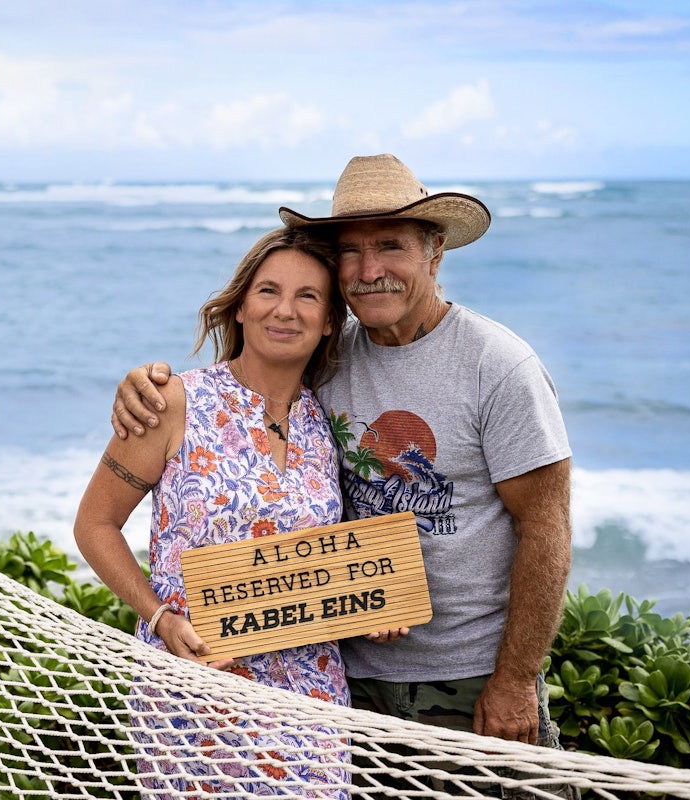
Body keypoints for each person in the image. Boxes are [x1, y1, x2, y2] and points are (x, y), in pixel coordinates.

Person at [111, 154, 577, 798]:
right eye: (351, 252)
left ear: (434, 253)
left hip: (468, 677)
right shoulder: (325, 363)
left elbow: (547, 528)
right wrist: (143, 386)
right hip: (342, 677)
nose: (369, 269)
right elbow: (238, 404)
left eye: (391, 246)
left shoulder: (498, 366)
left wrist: (515, 680)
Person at [73, 226, 351, 796]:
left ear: (328, 321)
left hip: (311, 698)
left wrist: (378, 607)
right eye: (268, 291)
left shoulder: (325, 423)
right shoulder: (173, 401)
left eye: (308, 296)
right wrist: (160, 618)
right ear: (242, 306)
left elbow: (334, 561)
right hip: (195, 692)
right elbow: (94, 525)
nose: (285, 310)